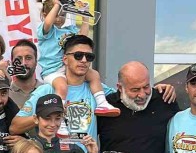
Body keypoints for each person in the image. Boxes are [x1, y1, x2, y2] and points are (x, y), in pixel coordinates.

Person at [11, 36, 176, 138]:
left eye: (88, 56)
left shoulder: (99, 91)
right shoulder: (47, 90)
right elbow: (15, 127)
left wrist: (156, 90)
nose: (84, 60)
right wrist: (42, 117)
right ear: (65, 59)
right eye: (78, 56)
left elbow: (131, 95)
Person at [35, 0, 119, 116]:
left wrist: (85, 14)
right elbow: (48, 23)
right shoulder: (45, 31)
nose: (59, 18)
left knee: (94, 75)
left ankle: (102, 103)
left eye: (63, 15)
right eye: (56, 15)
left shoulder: (70, 30)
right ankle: (58, 115)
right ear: (45, 14)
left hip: (69, 67)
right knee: (62, 87)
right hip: (52, 71)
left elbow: (83, 38)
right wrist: (57, 5)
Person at [8, 40, 42, 108]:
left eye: (28, 58)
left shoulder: (47, 91)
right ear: (12, 63)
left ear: (36, 62)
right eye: (19, 59)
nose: (23, 63)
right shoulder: (5, 94)